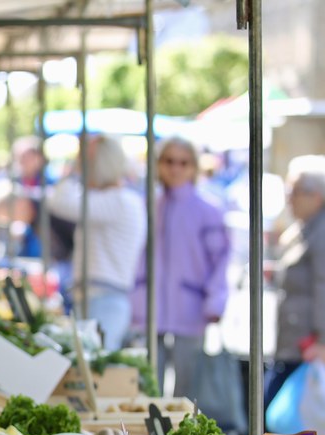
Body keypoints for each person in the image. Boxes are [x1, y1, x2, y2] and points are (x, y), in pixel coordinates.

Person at [130, 136, 231, 397]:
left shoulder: (208, 210)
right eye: (169, 161)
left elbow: (220, 259)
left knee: (187, 390)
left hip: (192, 307)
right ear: (158, 164)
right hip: (150, 308)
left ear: (194, 167)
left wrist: (215, 300)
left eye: (183, 162)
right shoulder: (148, 205)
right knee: (149, 385)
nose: (175, 168)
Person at [265, 154, 325, 435]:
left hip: (307, 341)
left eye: (295, 191)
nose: (289, 198)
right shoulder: (306, 228)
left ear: (316, 195)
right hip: (296, 336)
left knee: (299, 411)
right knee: (300, 411)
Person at [48, 134, 146, 351]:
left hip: (104, 299)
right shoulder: (118, 200)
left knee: (95, 367)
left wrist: (75, 169)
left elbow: (60, 201)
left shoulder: (119, 201)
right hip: (100, 297)